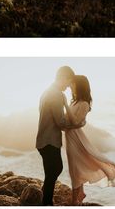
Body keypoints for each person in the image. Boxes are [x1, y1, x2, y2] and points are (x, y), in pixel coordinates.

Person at [64, 75, 115, 205]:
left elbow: (75, 121)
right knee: (75, 168)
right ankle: (80, 193)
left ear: (80, 86)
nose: (71, 87)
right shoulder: (73, 102)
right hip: (70, 138)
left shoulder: (84, 104)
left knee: (75, 170)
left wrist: (65, 105)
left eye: (73, 84)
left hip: (76, 139)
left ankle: (74, 201)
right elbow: (70, 122)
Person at [36, 66, 83, 206]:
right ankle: (46, 203)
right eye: (68, 83)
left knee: (52, 171)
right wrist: (77, 124)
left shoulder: (47, 91)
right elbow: (61, 122)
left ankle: (45, 199)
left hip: (43, 139)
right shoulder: (55, 95)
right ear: (63, 78)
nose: (68, 87)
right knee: (55, 170)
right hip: (49, 141)